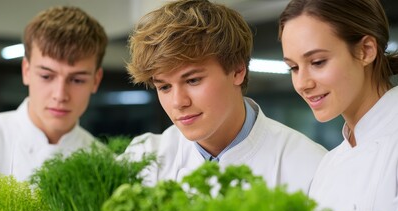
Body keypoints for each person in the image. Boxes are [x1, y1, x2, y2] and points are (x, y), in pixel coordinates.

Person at [123, 0, 326, 194]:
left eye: (193, 80)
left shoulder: (309, 164)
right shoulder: (144, 157)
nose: (178, 102)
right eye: (165, 87)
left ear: (238, 70)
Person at [278, 0, 398, 211]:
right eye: (293, 68)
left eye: (318, 62)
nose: (302, 83)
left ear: (366, 51)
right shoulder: (329, 165)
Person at [0, 6, 108, 182]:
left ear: (96, 80)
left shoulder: (104, 165)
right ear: (26, 71)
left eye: (77, 80)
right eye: (46, 76)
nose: (60, 95)